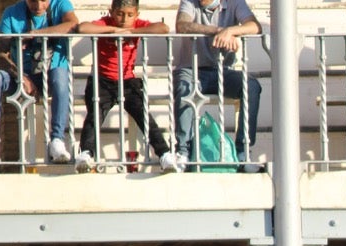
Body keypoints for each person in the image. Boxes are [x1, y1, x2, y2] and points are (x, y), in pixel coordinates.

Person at [0, 0, 80, 165]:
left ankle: (57, 140)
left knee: (61, 76)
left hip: (52, 74)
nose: (38, 6)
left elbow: (73, 24)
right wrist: (20, 76)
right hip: (21, 76)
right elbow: (0, 53)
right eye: (33, 0)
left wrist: (37, 33)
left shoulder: (61, 5)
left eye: (43, 0)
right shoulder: (12, 13)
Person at [74, 0, 173, 171]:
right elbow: (83, 28)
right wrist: (113, 31)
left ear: (136, 14)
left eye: (129, 15)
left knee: (144, 116)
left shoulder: (137, 24)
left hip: (127, 81)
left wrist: (131, 31)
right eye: (119, 14)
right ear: (111, 12)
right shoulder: (106, 23)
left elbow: (163, 28)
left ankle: (164, 154)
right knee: (94, 116)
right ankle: (86, 153)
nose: (124, 18)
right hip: (102, 80)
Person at [173, 0, 263, 171]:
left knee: (251, 87)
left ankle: (243, 152)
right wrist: (219, 31)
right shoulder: (189, 2)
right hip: (192, 69)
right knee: (184, 87)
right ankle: (183, 152)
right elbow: (182, 25)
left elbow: (255, 26)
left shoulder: (234, 2)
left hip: (223, 70)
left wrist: (231, 31)